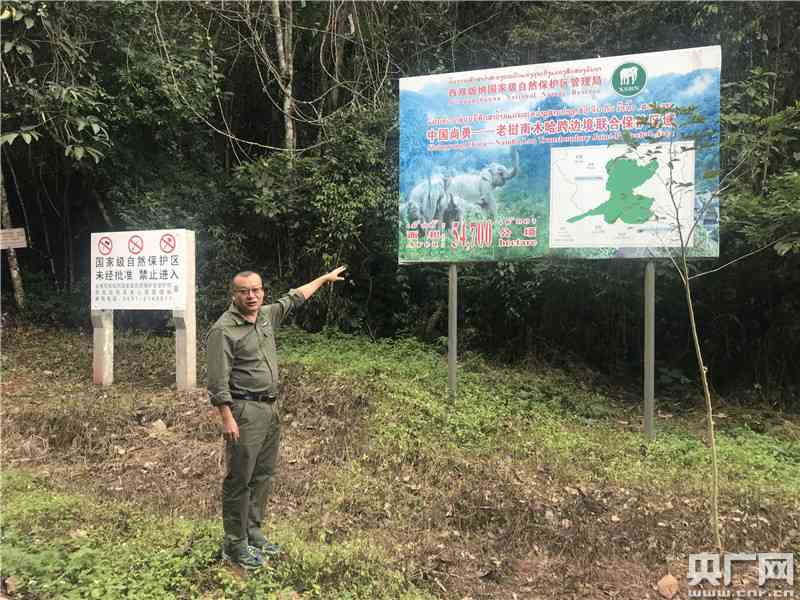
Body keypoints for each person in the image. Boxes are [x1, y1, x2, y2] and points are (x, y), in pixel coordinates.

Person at [207, 266, 346, 569]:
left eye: (256, 289)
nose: (252, 295)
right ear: (235, 295)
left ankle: (253, 532)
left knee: (263, 475)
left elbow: (295, 297)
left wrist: (322, 279)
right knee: (239, 479)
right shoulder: (223, 329)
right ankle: (235, 543)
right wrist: (226, 417)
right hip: (243, 411)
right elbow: (217, 380)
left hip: (270, 409)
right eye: (245, 291)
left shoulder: (267, 316)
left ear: (262, 292)